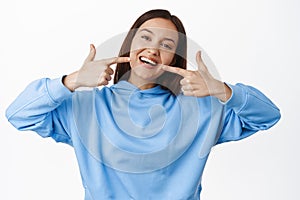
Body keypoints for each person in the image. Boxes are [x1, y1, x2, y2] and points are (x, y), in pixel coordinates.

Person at [6, 9, 281, 200]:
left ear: (174, 58)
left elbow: (268, 116)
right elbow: (18, 114)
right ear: (130, 45)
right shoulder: (85, 106)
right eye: (146, 38)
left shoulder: (201, 110)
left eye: (167, 44)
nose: (153, 49)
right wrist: (72, 81)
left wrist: (222, 90)